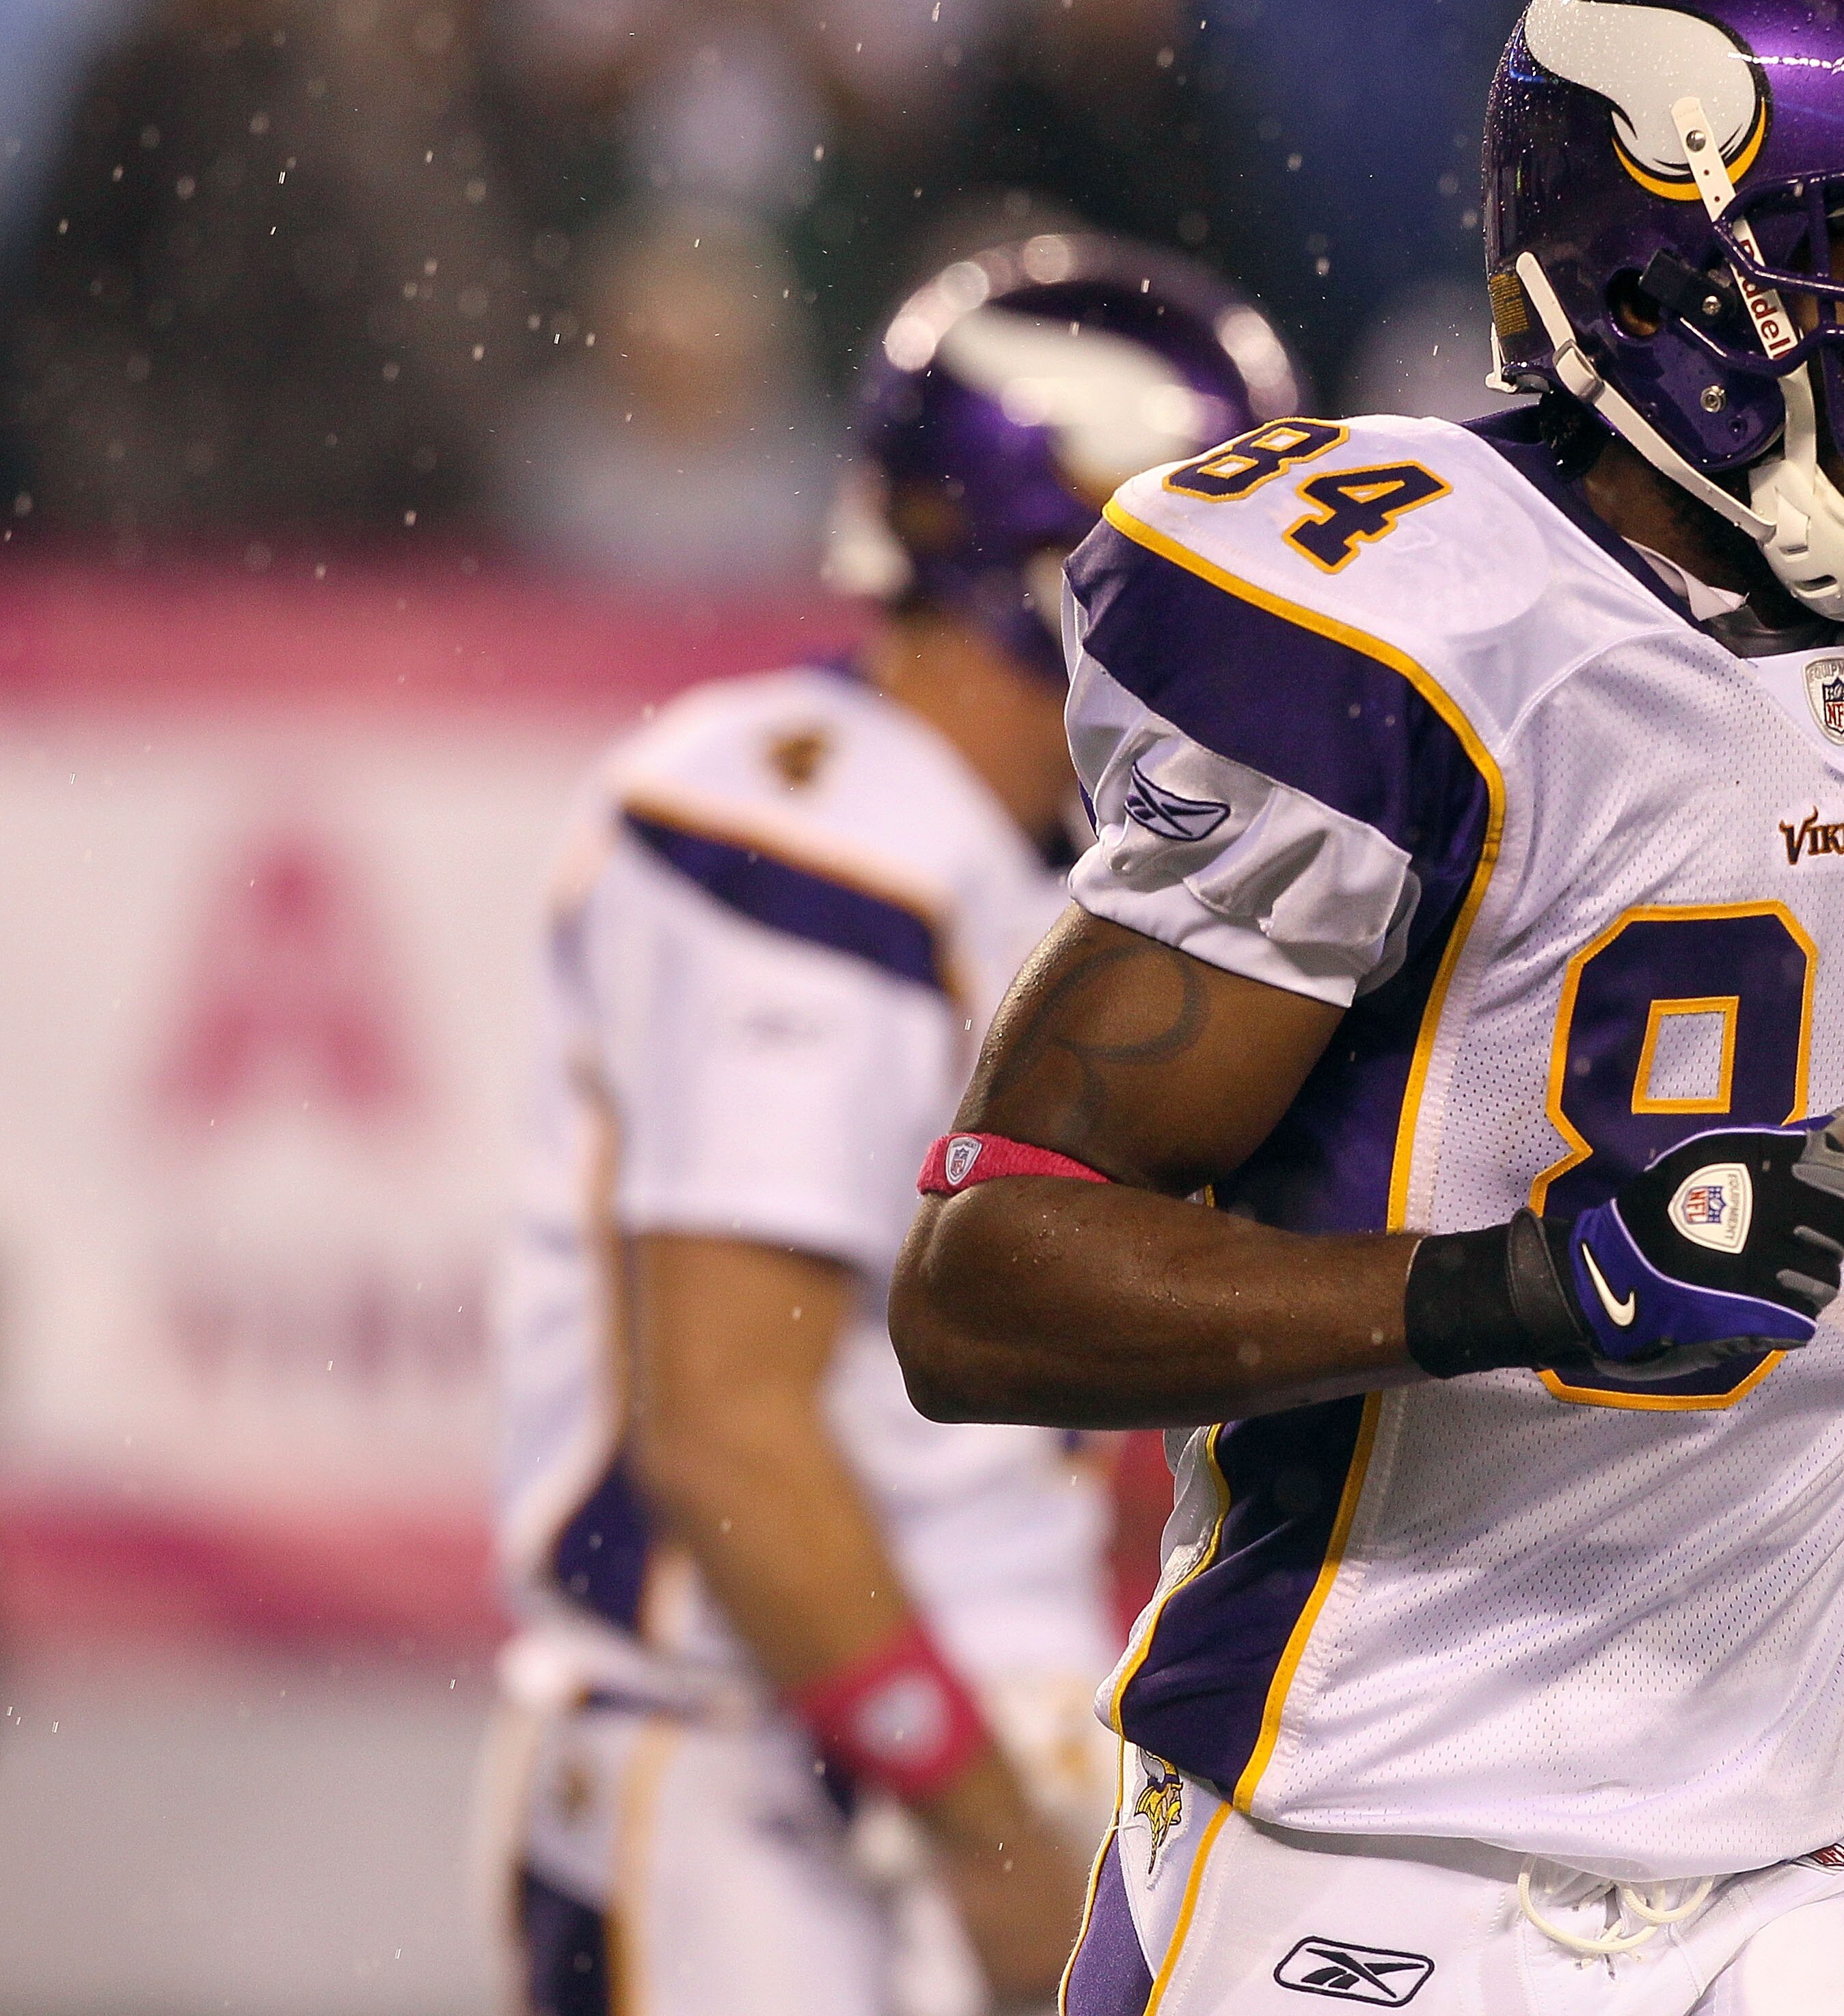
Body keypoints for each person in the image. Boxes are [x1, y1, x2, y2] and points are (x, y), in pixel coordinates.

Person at [884, 0, 1844, 2016]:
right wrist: (1509, 1285)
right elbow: (986, 1278)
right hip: (1357, 1834)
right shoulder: (1426, 633)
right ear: (1660, 267)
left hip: (1786, 1852)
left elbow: (1811, 1122)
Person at [480, 232, 1303, 2016]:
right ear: (1071, 569)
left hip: (935, 1738)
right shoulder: (812, 823)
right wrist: (981, 1824)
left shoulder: (1037, 858)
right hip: (770, 1781)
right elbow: (727, 1425)